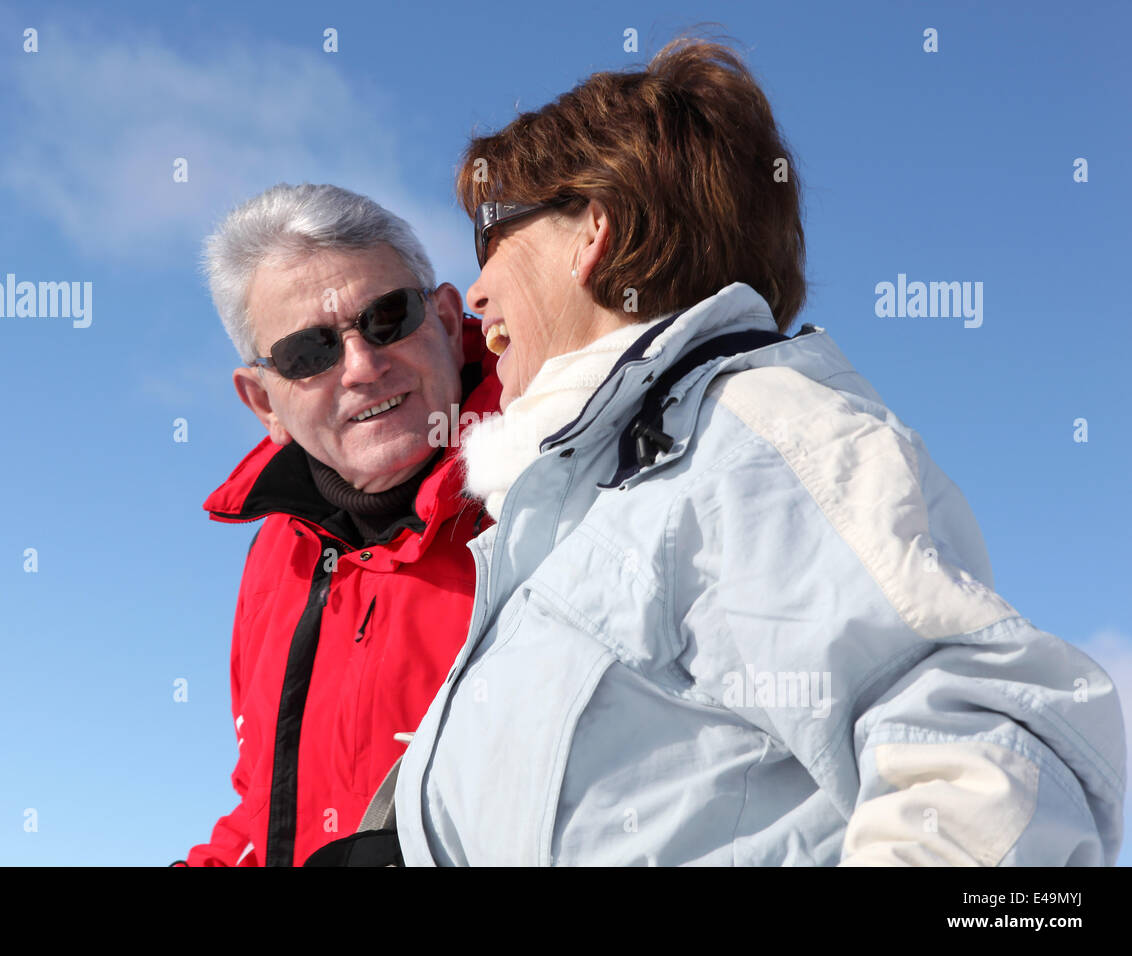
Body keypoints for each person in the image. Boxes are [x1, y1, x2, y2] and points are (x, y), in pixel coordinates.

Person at [393, 35, 1126, 865]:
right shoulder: (581, 508)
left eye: (492, 240)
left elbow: (993, 768)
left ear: (589, 229)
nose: (478, 288)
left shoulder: (739, 436)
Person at [172, 183, 499, 866]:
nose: (362, 366)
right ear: (263, 400)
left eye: (388, 317)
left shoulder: (554, 480)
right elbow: (263, 814)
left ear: (443, 319)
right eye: (309, 353)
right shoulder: (279, 554)